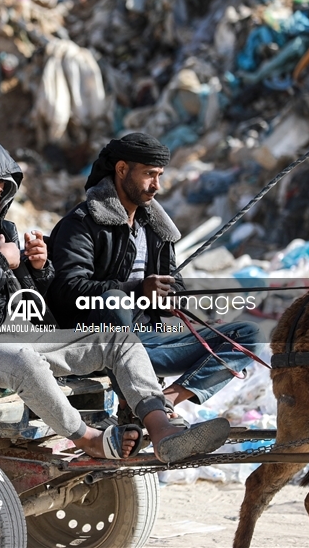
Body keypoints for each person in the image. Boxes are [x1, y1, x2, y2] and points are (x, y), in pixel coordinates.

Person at [0, 135, 231, 462]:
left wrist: (39, 268)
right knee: (23, 360)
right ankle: (88, 438)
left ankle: (163, 430)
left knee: (118, 340)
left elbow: (34, 303)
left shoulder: (1, 229)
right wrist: (1, 261)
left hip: (14, 332)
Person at [47, 133, 261, 418]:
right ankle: (138, 407)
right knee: (115, 301)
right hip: (94, 346)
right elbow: (66, 289)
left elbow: (173, 282)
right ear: (122, 169)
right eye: (149, 174)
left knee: (245, 334)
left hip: (147, 342)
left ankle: (167, 398)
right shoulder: (81, 223)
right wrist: (136, 290)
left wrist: (171, 298)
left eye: (160, 175)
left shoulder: (157, 228)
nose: (156, 186)